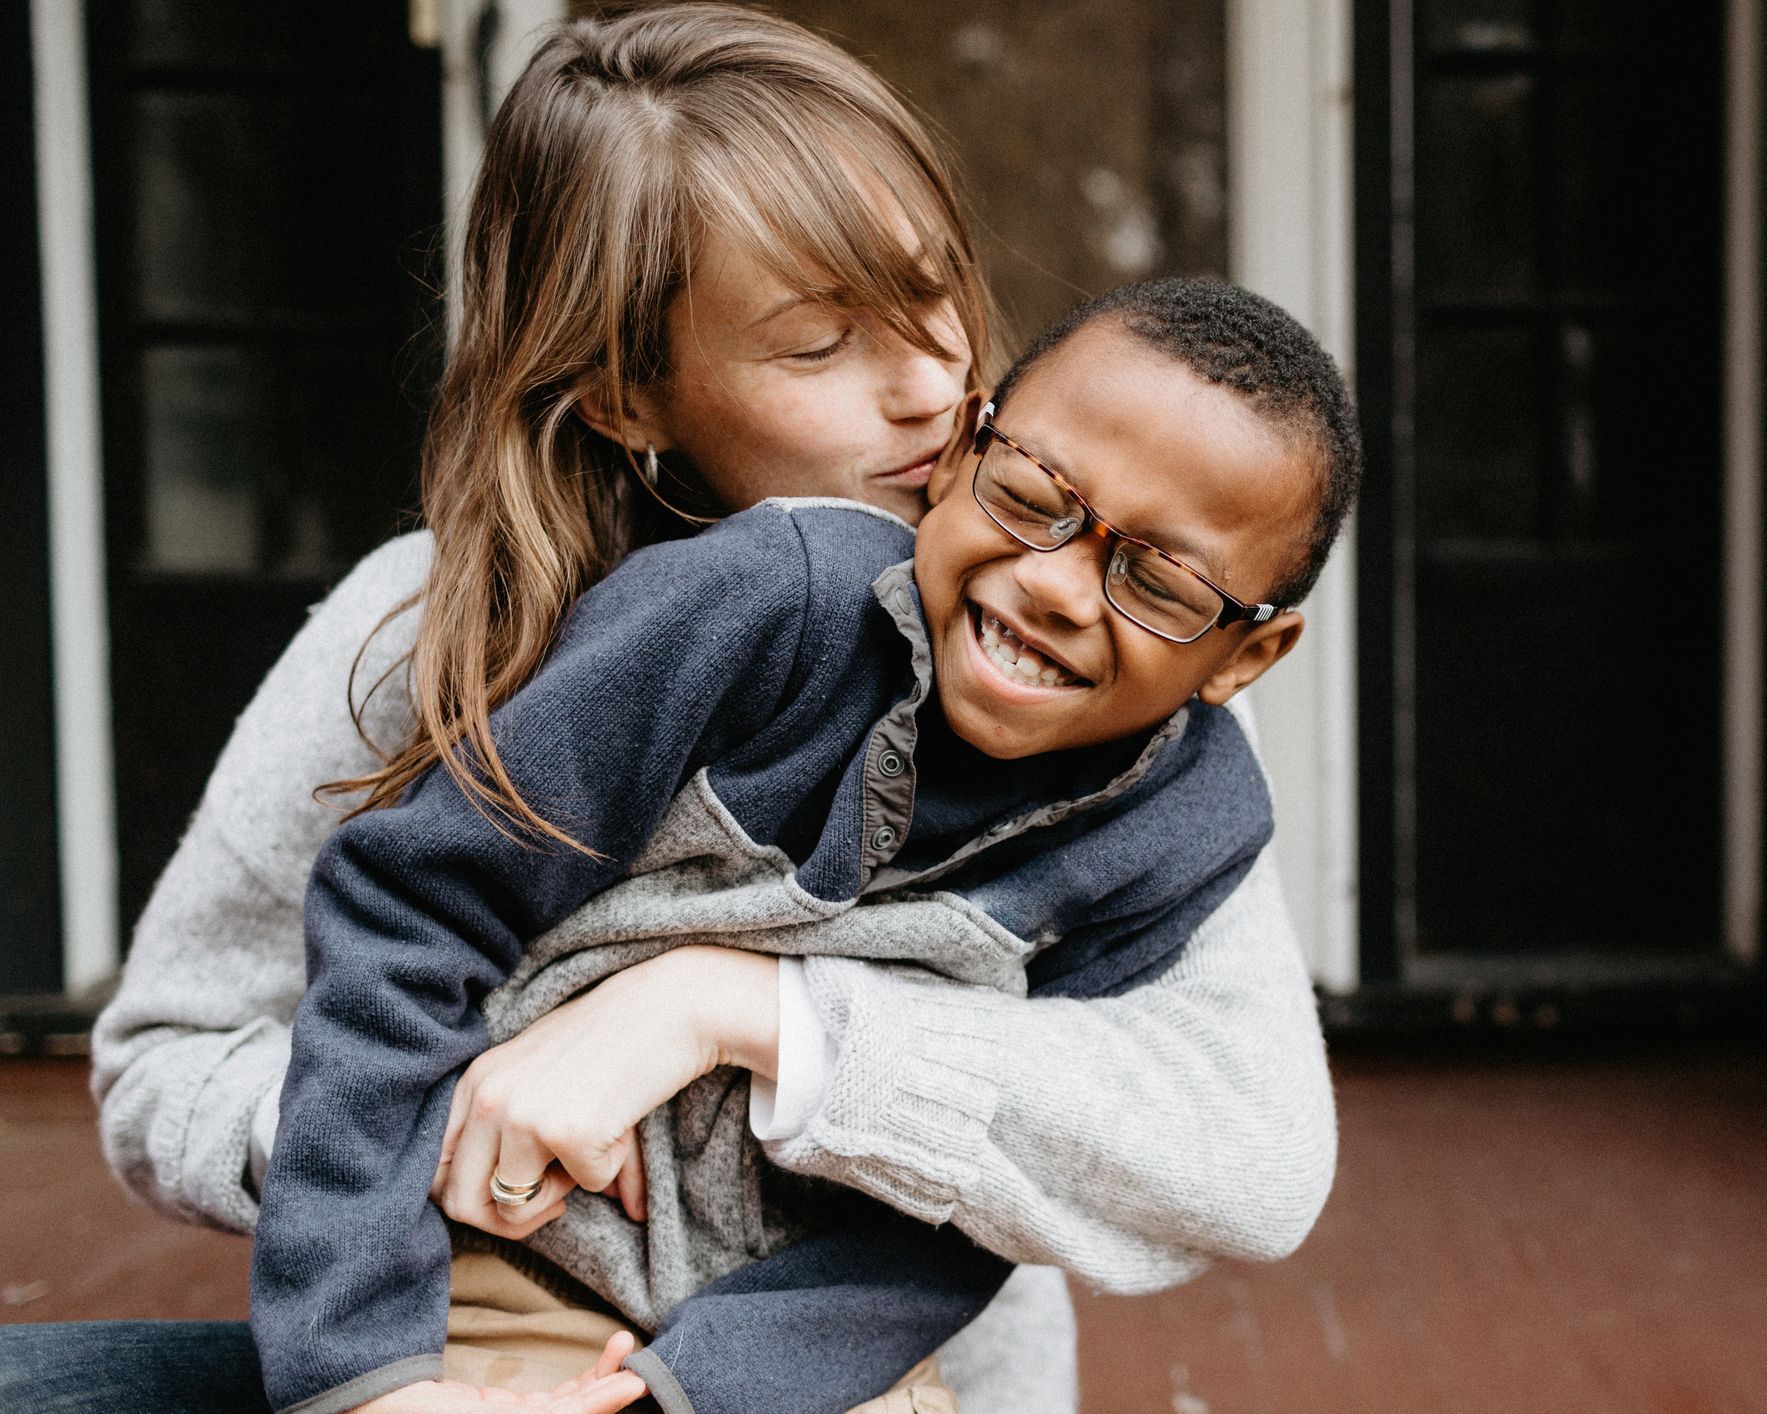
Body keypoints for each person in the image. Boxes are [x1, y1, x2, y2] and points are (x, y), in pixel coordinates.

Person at [0, 7, 1336, 1413]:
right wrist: (431, 1120)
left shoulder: (1094, 661)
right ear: (629, 394)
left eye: (933, 294)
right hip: (482, 1343)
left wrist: (743, 1014)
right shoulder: (427, 630)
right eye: (820, 344)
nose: (934, 390)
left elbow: (1245, 1149)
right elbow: (166, 1065)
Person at [252, 275, 1361, 1414]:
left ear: (1245, 658)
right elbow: (410, 908)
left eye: (1159, 582)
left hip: (796, 1354)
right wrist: (360, 1367)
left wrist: (705, 1387)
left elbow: (969, 1193)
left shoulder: (1180, 831)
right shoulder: (761, 606)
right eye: (1034, 495)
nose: (1055, 583)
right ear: (963, 447)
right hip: (510, 1259)